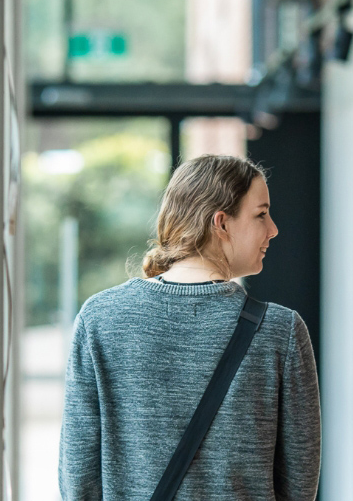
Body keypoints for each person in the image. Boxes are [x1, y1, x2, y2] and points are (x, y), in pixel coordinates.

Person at [58, 154, 321, 500]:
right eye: (261, 214)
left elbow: (78, 476)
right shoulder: (280, 331)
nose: (273, 228)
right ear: (221, 223)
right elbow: (300, 483)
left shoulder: (100, 319)